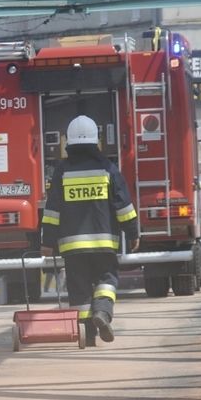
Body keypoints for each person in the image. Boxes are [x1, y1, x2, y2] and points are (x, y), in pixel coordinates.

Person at [40, 114, 139, 346]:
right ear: (97, 141)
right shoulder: (108, 168)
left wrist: (47, 241)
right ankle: (103, 313)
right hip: (104, 244)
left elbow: (52, 210)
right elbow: (123, 205)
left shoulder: (62, 171)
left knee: (79, 289)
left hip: (72, 247)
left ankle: (88, 336)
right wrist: (132, 232)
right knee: (107, 278)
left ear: (69, 143)